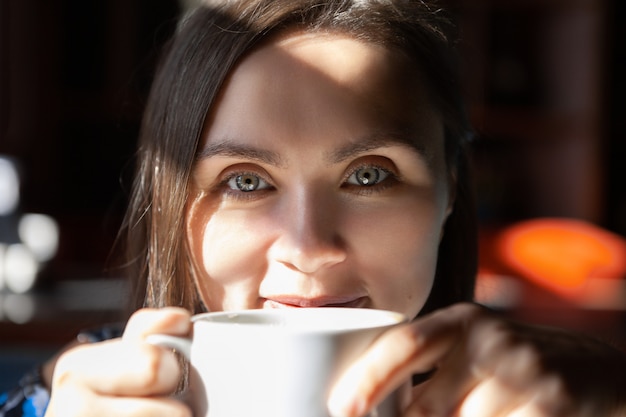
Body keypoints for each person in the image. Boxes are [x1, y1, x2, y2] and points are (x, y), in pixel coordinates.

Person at [2, 0, 625, 416]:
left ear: (451, 191)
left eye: (370, 175)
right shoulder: (78, 395)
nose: (307, 249)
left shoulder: (544, 394)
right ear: (172, 202)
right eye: (245, 182)